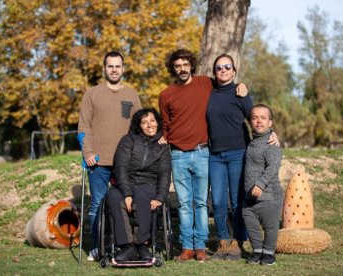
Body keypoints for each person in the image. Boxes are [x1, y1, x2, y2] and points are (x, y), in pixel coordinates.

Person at [158, 49, 248, 261]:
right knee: (184, 203)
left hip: (202, 153)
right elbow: (165, 123)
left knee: (200, 202)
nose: (182, 69)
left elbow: (227, 84)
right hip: (178, 155)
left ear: (191, 66)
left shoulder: (206, 83)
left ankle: (200, 246)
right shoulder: (165, 94)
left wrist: (243, 85)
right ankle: (186, 247)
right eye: (177, 65)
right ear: (173, 68)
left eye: (185, 65)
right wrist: (163, 137)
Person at [78, 51, 141, 261]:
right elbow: (83, 126)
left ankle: (121, 245)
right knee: (97, 203)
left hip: (125, 163)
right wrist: (88, 151)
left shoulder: (132, 95)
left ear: (123, 68)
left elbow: (139, 127)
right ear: (104, 68)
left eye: (118, 66)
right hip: (97, 162)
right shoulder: (92, 94)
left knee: (124, 204)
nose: (114, 69)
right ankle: (97, 247)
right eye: (110, 66)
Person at [106, 108, 171, 261]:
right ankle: (127, 246)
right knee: (114, 198)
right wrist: (127, 194)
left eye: (152, 121)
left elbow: (165, 173)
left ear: (157, 122)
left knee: (143, 196)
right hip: (125, 183)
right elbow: (120, 167)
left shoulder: (163, 146)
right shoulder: (128, 140)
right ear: (138, 125)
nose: (149, 125)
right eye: (144, 122)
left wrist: (160, 197)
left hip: (148, 184)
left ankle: (142, 245)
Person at [206, 54, 254, 261]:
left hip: (238, 153)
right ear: (214, 72)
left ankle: (237, 242)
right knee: (217, 202)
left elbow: (256, 119)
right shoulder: (208, 92)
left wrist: (272, 134)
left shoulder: (240, 93)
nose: (223, 70)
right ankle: (224, 242)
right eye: (218, 67)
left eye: (227, 67)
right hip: (214, 155)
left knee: (236, 201)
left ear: (234, 71)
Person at [242, 104, 284, 266]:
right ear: (251, 122)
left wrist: (260, 184)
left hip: (269, 196)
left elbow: (273, 167)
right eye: (255, 118)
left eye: (263, 118)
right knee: (250, 224)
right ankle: (257, 250)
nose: (259, 121)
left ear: (270, 123)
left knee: (270, 227)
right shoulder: (252, 142)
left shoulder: (271, 144)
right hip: (249, 197)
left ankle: (268, 254)